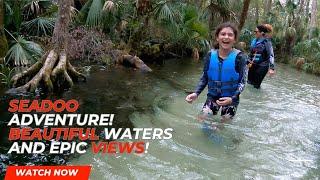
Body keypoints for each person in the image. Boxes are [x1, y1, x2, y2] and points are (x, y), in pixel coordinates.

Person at [185, 22, 247, 121]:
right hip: (212, 96)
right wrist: (196, 93)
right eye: (223, 34)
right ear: (217, 37)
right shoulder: (210, 55)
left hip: (231, 99)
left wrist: (232, 98)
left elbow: (242, 82)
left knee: (223, 126)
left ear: (234, 39)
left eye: (230, 35)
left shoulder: (240, 57)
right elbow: (205, 77)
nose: (226, 37)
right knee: (202, 120)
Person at [247, 24, 275, 89]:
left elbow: (271, 55)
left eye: (256, 32)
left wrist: (271, 68)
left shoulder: (267, 42)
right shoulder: (254, 41)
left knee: (256, 86)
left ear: (262, 33)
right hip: (253, 65)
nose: (254, 33)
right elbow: (251, 53)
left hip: (262, 66)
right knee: (249, 83)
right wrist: (247, 62)